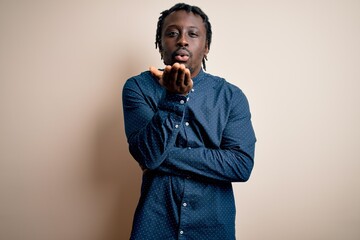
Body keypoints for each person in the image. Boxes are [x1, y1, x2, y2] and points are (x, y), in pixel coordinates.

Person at [122, 3, 256, 239]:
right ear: (160, 43)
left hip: (213, 227)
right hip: (155, 225)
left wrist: (162, 158)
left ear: (206, 47)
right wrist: (174, 98)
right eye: (172, 33)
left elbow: (240, 165)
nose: (182, 40)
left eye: (193, 34)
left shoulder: (231, 96)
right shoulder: (138, 88)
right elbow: (149, 154)